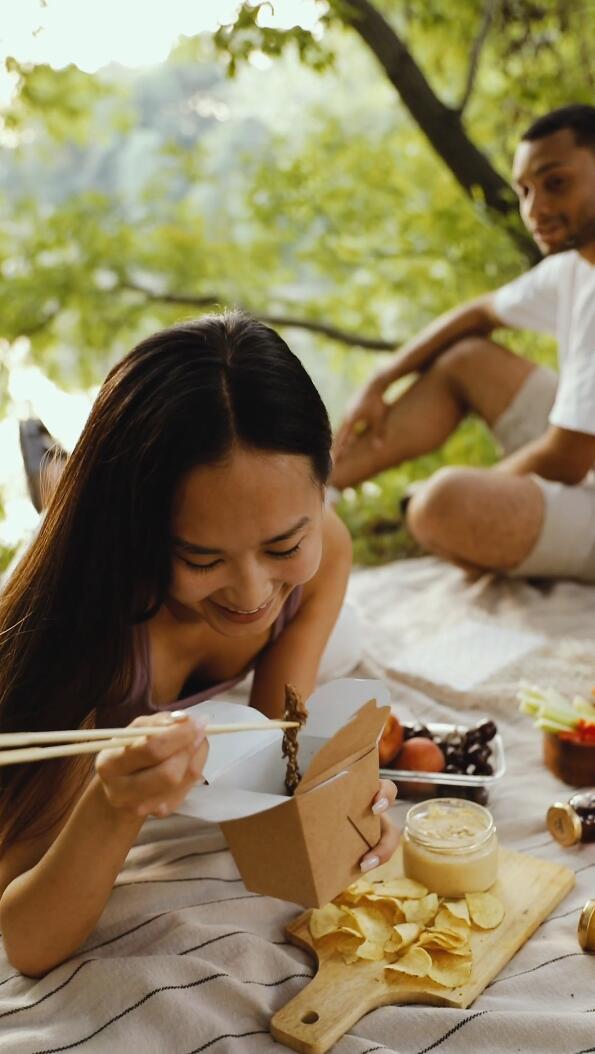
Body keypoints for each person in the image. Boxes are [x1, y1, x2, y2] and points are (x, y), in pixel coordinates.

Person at [0, 312, 398, 977]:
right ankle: (50, 465)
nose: (250, 594)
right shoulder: (80, 633)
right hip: (87, 610)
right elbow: (27, 938)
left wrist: (338, 799)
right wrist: (115, 803)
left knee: (342, 638)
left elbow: (278, 740)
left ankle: (64, 469)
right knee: (66, 499)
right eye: (200, 556)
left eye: (282, 544)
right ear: (140, 530)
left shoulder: (323, 549)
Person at [332, 104, 595, 581]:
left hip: (580, 468)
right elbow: (477, 314)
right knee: (466, 359)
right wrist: (380, 379)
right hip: (583, 461)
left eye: (555, 183)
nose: (534, 210)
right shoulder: (573, 268)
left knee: (439, 505)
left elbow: (568, 458)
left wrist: (466, 496)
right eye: (524, 191)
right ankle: (314, 491)